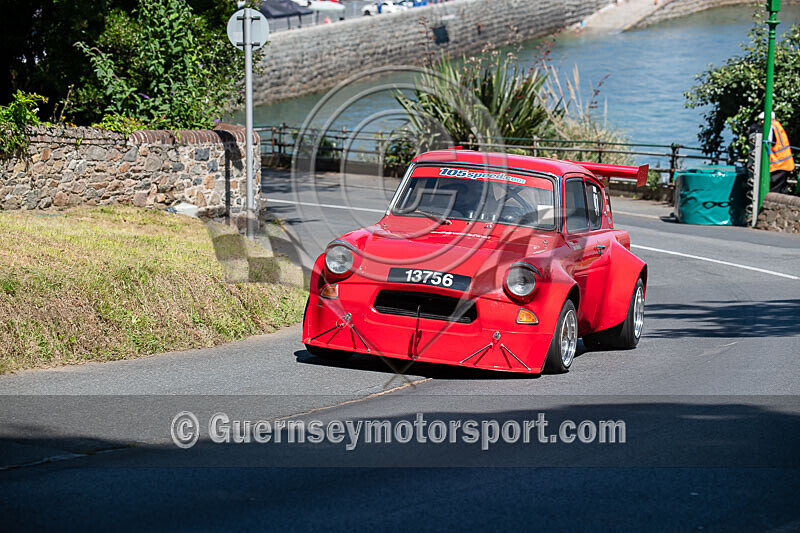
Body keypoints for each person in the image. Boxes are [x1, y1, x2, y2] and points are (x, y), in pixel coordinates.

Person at [758, 111, 795, 194]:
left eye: (763, 120)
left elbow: (769, 142)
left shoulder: (771, 127)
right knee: (782, 190)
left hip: (778, 164)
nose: (762, 122)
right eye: (760, 120)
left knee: (773, 192)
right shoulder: (777, 125)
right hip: (785, 163)